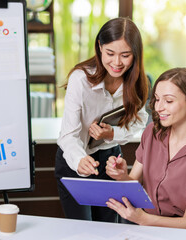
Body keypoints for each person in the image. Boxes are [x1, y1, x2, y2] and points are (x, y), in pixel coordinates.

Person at [55, 17, 149, 222]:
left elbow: (140, 120)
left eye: (125, 55)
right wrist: (80, 160)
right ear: (99, 47)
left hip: (110, 160)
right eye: (110, 53)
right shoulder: (80, 79)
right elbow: (68, 135)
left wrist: (112, 133)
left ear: (136, 54)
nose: (117, 63)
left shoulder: (137, 83)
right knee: (83, 231)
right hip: (75, 159)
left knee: (109, 228)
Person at [105, 67, 186, 229]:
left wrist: (143, 219)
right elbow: (133, 184)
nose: (159, 107)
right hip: (144, 227)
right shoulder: (152, 133)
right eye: (157, 99)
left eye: (168, 101)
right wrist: (122, 176)